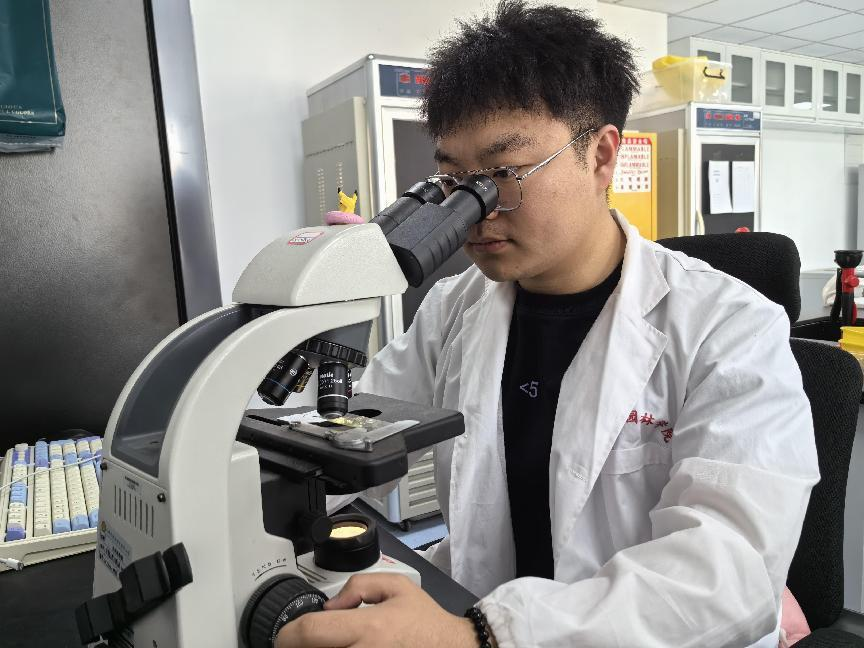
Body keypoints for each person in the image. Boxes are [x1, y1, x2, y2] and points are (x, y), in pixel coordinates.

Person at [277, 2, 819, 646]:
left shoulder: (729, 328)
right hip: (476, 609)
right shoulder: (453, 310)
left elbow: (727, 574)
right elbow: (346, 437)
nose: (474, 213)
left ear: (601, 155)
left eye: (502, 176)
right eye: (453, 180)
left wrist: (483, 636)